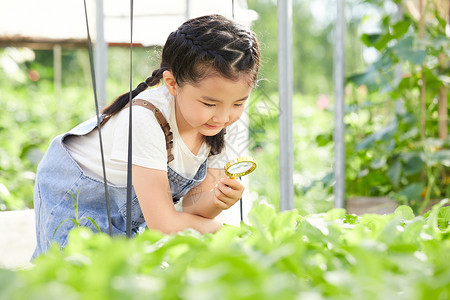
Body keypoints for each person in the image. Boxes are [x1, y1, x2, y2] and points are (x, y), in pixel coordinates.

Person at [32, 14, 260, 258]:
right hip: (78, 198)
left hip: (130, 211)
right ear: (172, 84)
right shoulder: (144, 120)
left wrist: (217, 199)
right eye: (209, 103)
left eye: (238, 103)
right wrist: (230, 233)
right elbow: (163, 225)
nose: (223, 117)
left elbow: (193, 206)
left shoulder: (213, 126)